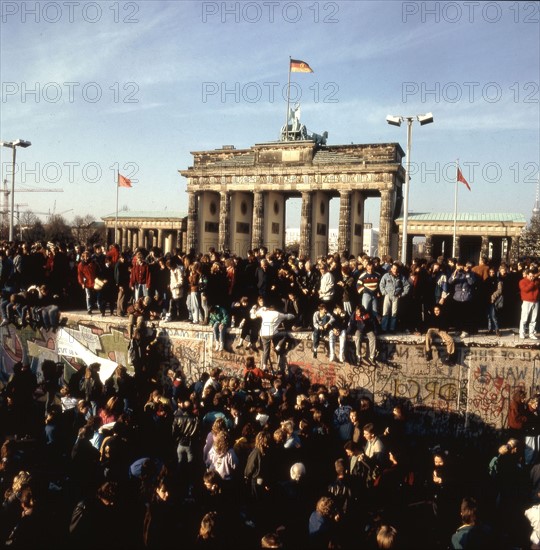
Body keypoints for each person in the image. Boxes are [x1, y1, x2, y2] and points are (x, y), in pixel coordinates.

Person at [379, 263, 410, 333]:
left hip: (396, 296)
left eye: (396, 269)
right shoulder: (386, 276)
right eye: (393, 268)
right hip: (387, 295)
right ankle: (384, 328)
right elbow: (381, 284)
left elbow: (407, 285)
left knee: (394, 313)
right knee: (385, 312)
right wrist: (384, 293)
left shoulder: (401, 277)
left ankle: (392, 329)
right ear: (391, 269)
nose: (395, 270)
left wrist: (402, 294)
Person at [519, 268, 540, 339]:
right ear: (527, 275)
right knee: (524, 318)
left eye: (532, 276)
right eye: (530, 276)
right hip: (527, 301)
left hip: (536, 301)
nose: (531, 277)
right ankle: (522, 333)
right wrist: (532, 282)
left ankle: (531, 333)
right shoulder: (522, 281)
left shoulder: (537, 281)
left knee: (534, 319)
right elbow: (525, 289)